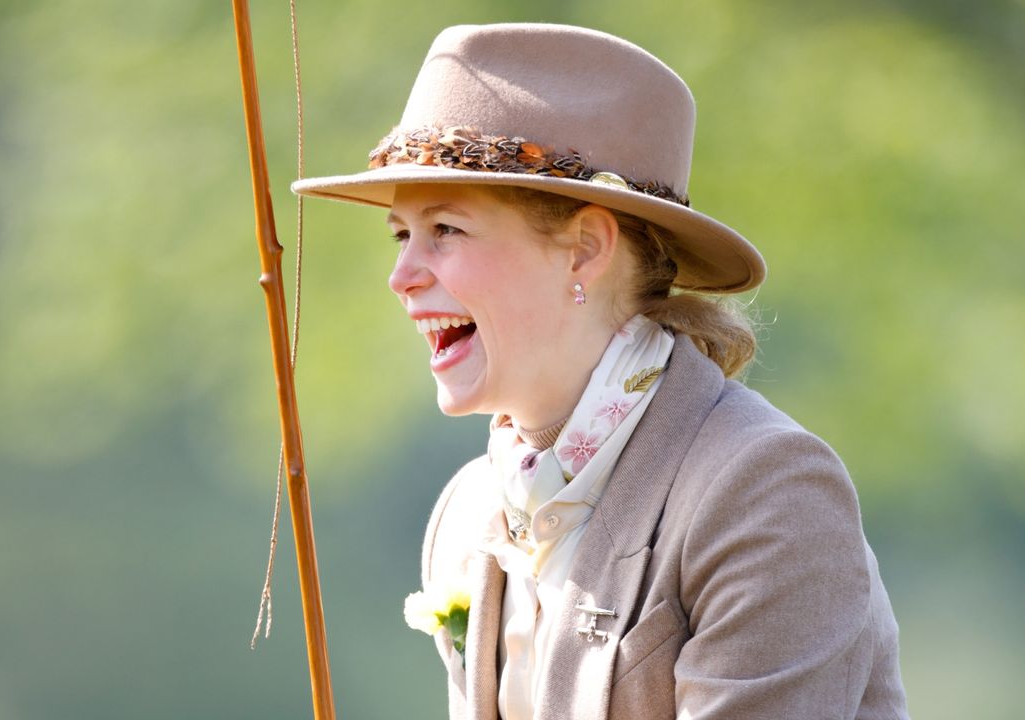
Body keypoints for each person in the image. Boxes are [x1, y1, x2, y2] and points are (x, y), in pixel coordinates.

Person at [293, 22, 908, 720]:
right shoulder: (467, 515)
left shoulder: (765, 491)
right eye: (403, 235)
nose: (400, 277)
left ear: (585, 248)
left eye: (446, 230)